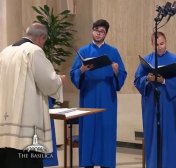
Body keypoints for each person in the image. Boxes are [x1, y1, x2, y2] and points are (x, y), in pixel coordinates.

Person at [0, 23, 65, 168]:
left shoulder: (5, 51)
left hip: (5, 118)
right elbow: (48, 81)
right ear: (42, 38)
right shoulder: (33, 51)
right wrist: (60, 80)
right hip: (26, 121)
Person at [70, 19, 127, 168]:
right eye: (96, 30)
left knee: (106, 131)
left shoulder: (113, 51)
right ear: (92, 31)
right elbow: (73, 74)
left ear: (106, 34)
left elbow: (122, 74)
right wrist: (82, 70)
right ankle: (87, 163)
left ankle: (106, 163)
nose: (98, 33)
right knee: (88, 130)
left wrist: (116, 70)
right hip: (88, 95)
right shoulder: (83, 51)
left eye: (101, 31)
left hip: (107, 97)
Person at [134, 31, 176, 168]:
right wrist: (147, 78)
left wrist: (163, 81)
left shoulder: (175, 59)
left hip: (168, 103)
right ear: (152, 44)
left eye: (162, 43)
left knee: (169, 137)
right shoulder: (147, 60)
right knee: (152, 137)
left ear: (166, 42)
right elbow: (137, 79)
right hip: (151, 104)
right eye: (156, 44)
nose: (160, 47)